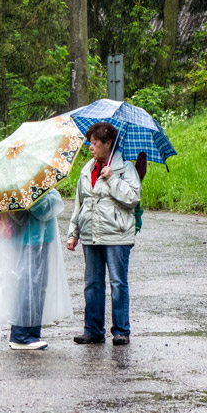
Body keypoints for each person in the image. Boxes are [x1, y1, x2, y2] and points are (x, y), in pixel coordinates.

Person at [65, 122, 142, 345]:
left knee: (118, 283)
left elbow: (132, 198)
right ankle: (93, 330)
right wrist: (73, 233)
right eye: (90, 142)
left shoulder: (124, 169)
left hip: (117, 235)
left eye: (95, 143)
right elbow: (80, 204)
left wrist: (112, 179)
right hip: (90, 235)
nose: (91, 147)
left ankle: (121, 331)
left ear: (108, 144)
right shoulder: (87, 170)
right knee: (92, 283)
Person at [0, 188, 71, 350]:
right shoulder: (28, 182)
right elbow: (43, 209)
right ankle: (23, 335)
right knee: (31, 285)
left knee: (31, 284)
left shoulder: (18, 179)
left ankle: (28, 333)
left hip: (30, 236)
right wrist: (52, 195)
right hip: (33, 237)